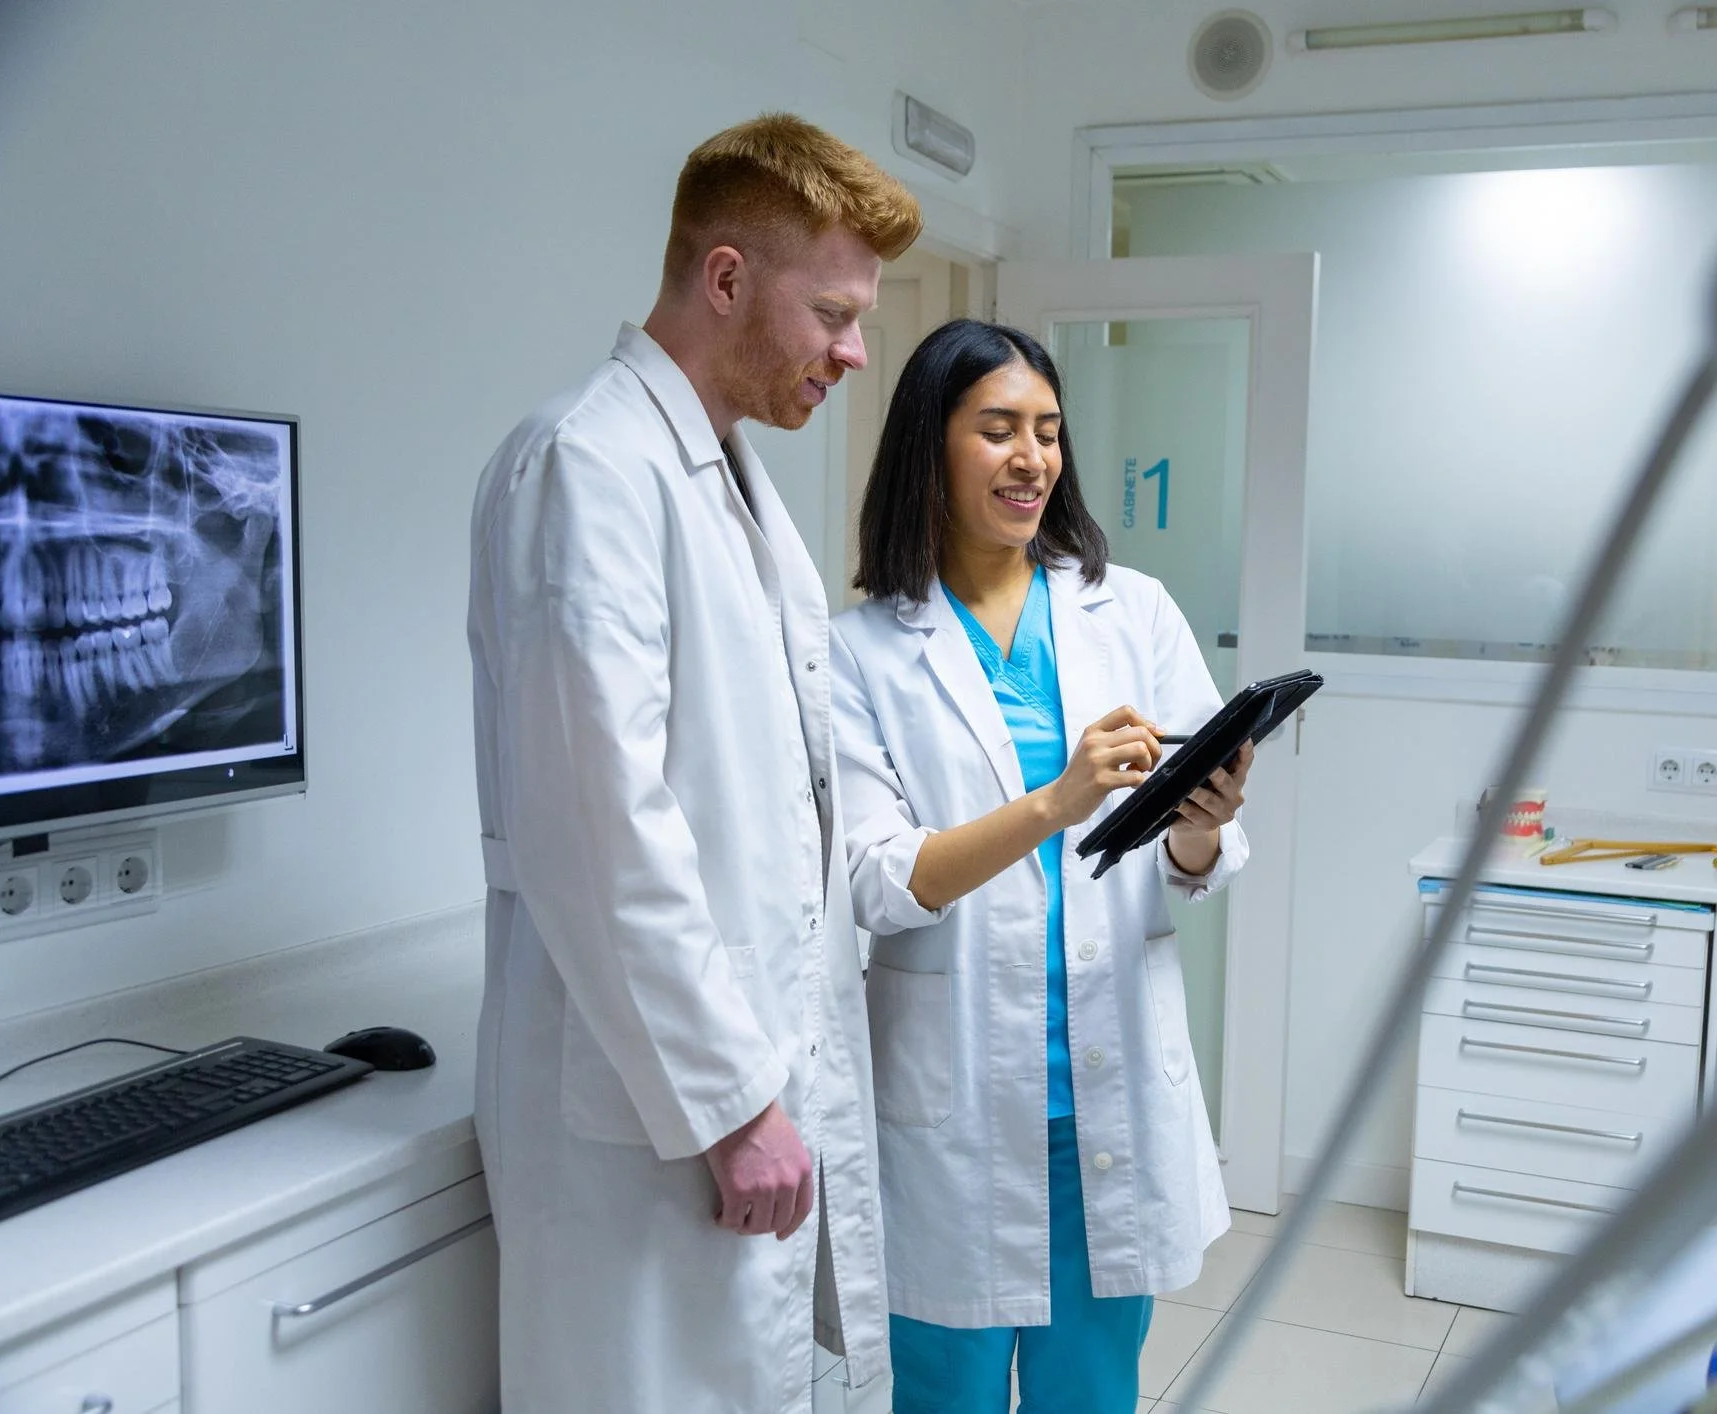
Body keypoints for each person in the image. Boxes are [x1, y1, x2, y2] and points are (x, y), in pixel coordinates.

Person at [465, 114, 920, 1414]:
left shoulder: (734, 486)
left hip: (737, 1074)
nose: (853, 350)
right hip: (651, 1110)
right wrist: (728, 1102)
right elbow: (597, 821)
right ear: (725, 278)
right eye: (832, 311)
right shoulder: (589, 466)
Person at [830, 319, 1255, 1412]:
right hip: (956, 1102)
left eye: (1050, 432)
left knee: (1089, 1392)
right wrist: (1058, 802)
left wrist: (1203, 818)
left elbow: (1197, 859)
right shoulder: (862, 650)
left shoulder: (1134, 611)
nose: (1033, 459)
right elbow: (882, 879)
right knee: (947, 1394)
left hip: (1103, 1096)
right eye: (999, 429)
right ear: (932, 445)